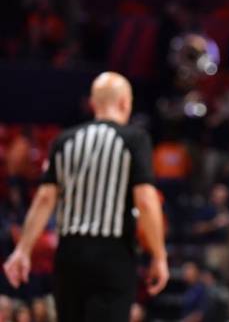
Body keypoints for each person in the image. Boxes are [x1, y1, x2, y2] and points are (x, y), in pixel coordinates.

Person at [3, 72, 169, 322]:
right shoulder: (135, 139)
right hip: (112, 253)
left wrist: (23, 249)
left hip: (69, 253)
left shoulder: (64, 140)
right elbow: (145, 200)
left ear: (94, 104)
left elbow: (45, 198)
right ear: (125, 102)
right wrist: (159, 255)